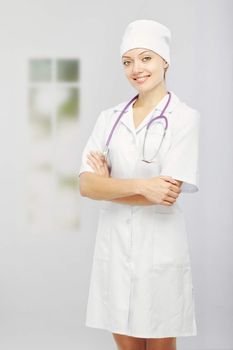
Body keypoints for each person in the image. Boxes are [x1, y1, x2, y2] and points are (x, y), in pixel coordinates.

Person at [78, 19, 200, 350]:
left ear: (165, 61)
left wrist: (111, 185)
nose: (136, 69)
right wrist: (143, 186)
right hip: (114, 248)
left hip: (160, 250)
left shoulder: (184, 117)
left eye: (146, 58)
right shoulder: (109, 118)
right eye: (127, 61)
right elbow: (86, 186)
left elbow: (166, 194)